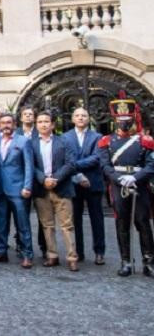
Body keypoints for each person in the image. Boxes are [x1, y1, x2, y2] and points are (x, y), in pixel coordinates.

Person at [98, 94, 154, 276]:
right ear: (115, 119)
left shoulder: (145, 141)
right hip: (118, 185)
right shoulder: (106, 141)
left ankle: (149, 261)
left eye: (127, 119)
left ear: (133, 118)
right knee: (122, 223)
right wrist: (118, 178)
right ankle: (126, 261)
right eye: (121, 119)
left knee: (143, 223)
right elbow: (105, 165)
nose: (124, 122)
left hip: (140, 186)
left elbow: (151, 165)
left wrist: (136, 177)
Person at [30, 111, 78, 271]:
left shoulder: (64, 141)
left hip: (62, 188)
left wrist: (55, 178)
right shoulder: (32, 143)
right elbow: (31, 166)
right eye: (40, 122)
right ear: (36, 125)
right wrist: (44, 179)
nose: (43, 124)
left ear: (52, 124)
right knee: (47, 225)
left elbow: (71, 163)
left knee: (67, 225)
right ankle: (52, 255)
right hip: (42, 189)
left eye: (46, 121)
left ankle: (72, 257)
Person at [0, 112, 34, 268]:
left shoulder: (23, 141)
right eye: (3, 123)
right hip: (0, 188)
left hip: (18, 189)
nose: (6, 125)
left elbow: (29, 165)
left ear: (14, 124)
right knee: (1, 223)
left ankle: (27, 254)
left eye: (9, 122)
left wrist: (27, 186)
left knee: (23, 224)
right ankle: (1, 251)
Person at [62, 106, 105, 265]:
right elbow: (65, 159)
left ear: (89, 118)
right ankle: (78, 252)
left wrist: (75, 166)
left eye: (84, 115)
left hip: (93, 183)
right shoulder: (65, 137)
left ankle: (99, 252)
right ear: (73, 119)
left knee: (97, 219)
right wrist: (77, 174)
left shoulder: (98, 137)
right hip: (73, 183)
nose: (80, 118)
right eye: (77, 115)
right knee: (75, 220)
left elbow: (96, 158)